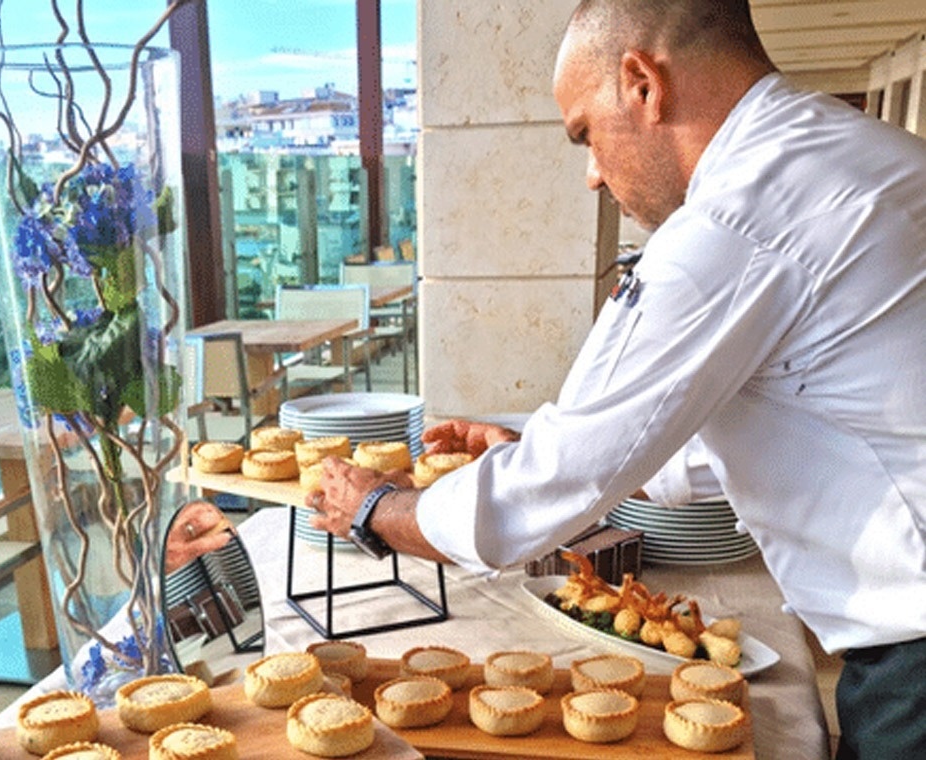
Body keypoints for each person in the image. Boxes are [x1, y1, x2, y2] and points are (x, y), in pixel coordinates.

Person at [306, 1, 926, 757]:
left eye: (586, 135)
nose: (593, 175)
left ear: (642, 84)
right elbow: (764, 425)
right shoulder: (856, 153)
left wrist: (377, 508)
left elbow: (550, 492)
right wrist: (529, 443)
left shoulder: (732, 219)